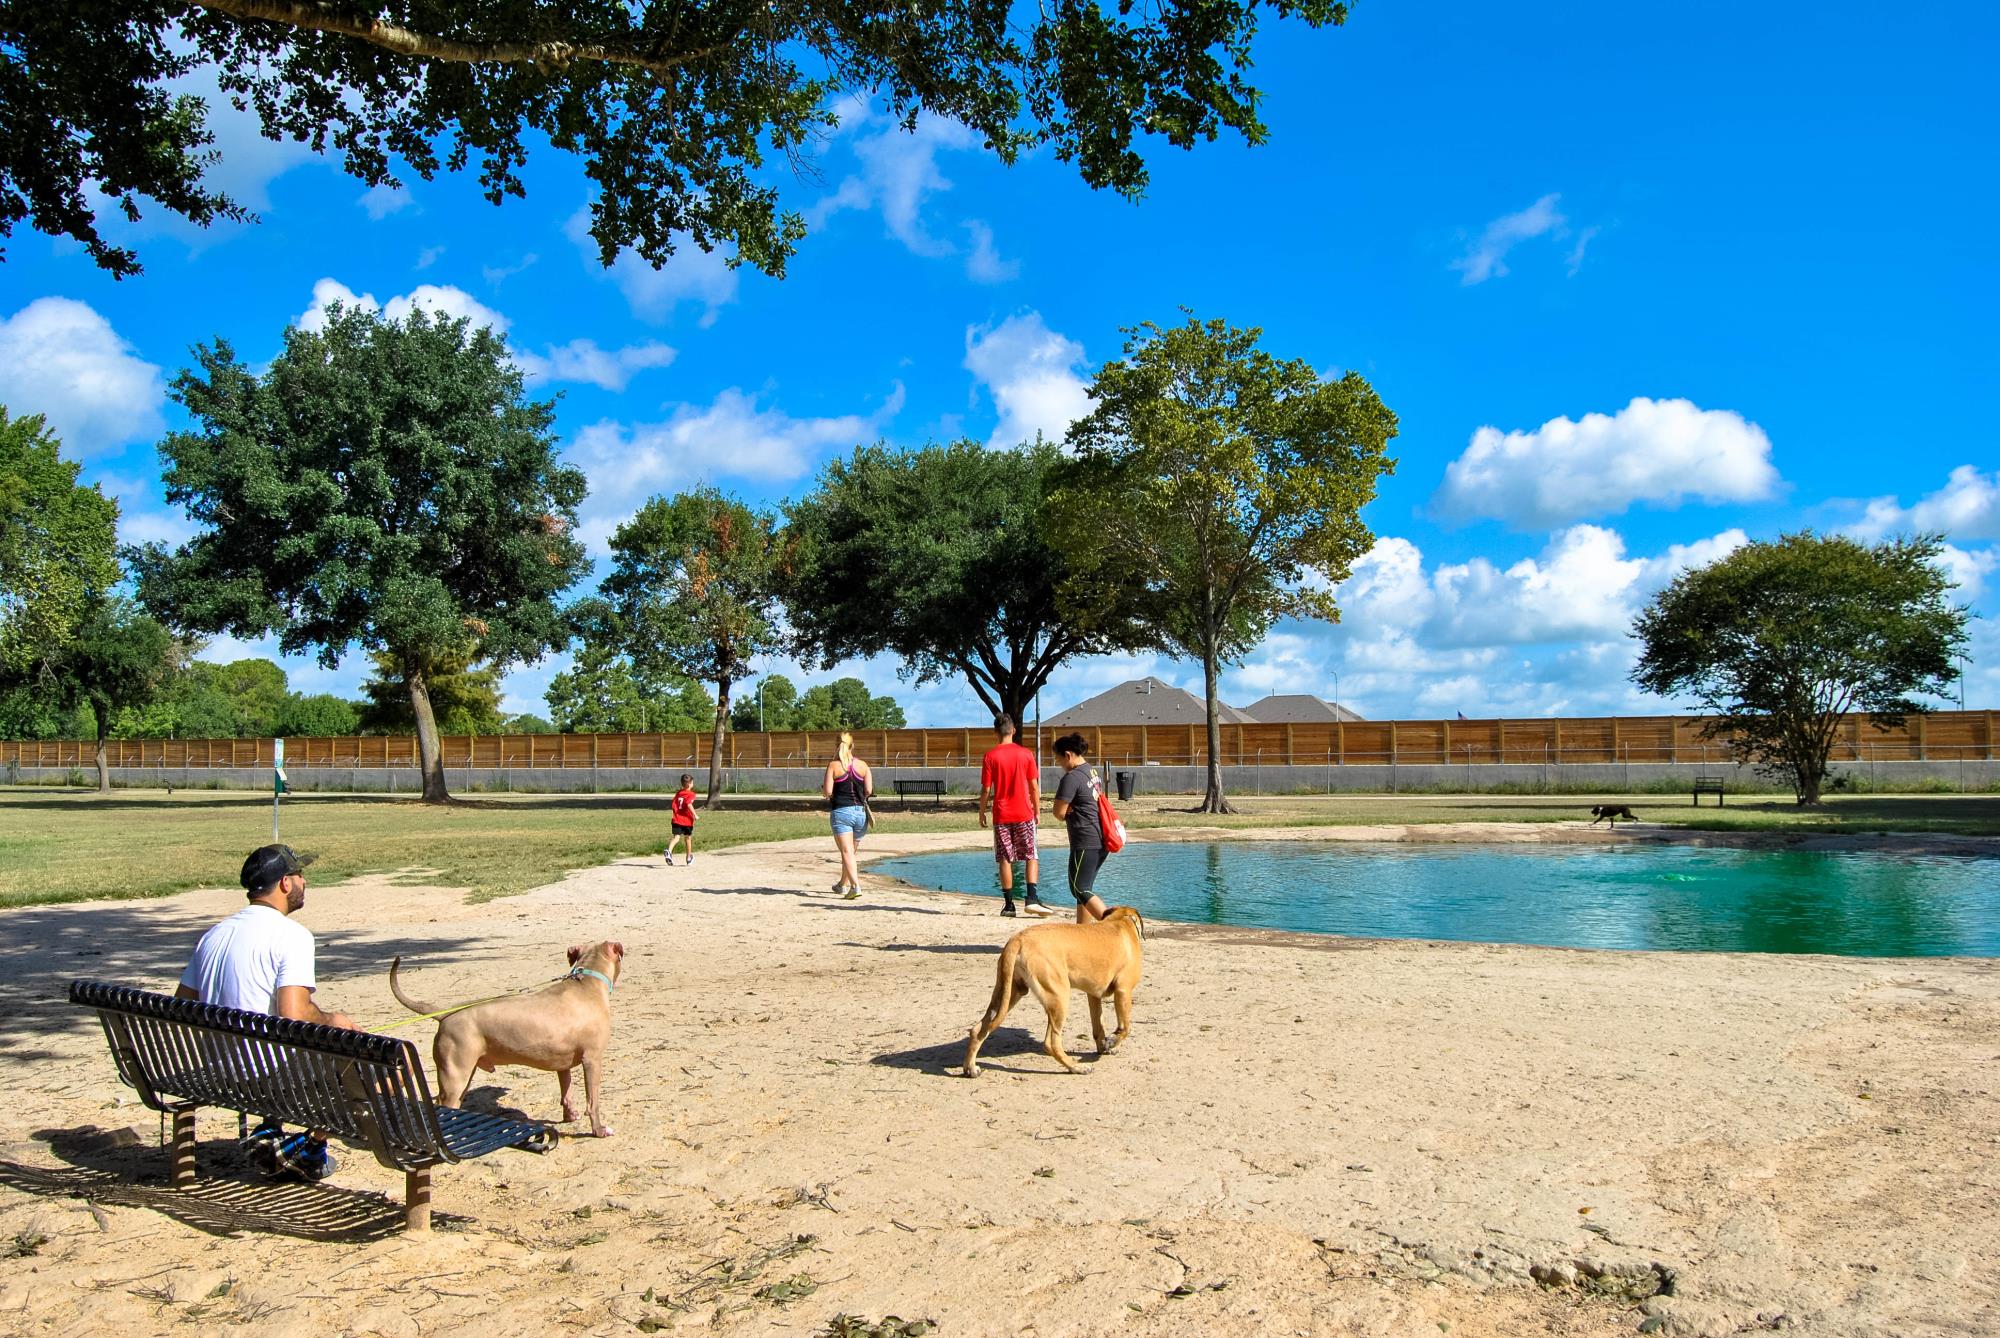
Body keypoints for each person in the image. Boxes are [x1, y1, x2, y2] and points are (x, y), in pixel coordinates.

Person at [175, 843, 358, 1182]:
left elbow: (182, 1003)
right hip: (261, 1077)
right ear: (286, 883)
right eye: (301, 874)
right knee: (372, 1064)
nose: (305, 882)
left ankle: (271, 1132)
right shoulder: (292, 936)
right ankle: (307, 1149)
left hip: (215, 1071)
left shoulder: (214, 934)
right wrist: (335, 1021)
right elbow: (294, 1013)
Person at [979, 713, 1051, 918]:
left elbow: (985, 789)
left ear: (995, 732)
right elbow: (1034, 787)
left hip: (1001, 814)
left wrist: (982, 811)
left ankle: (1009, 904)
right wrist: (1037, 810)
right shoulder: (1026, 754)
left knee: (1004, 858)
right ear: (1014, 730)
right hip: (1024, 813)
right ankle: (1032, 897)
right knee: (1031, 854)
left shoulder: (990, 757)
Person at [1050, 733, 1112, 922]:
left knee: (1079, 888)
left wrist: (1066, 809)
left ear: (1068, 755)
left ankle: (1113, 925)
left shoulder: (1072, 778)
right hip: (1100, 838)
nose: (1059, 764)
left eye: (1059, 759)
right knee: (1084, 889)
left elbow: (1058, 812)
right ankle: (1083, 932)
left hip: (1085, 840)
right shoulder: (1090, 771)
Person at [822, 731, 873, 899]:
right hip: (860, 814)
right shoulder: (864, 766)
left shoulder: (833, 766)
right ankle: (842, 885)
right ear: (853, 746)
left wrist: (826, 791)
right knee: (850, 852)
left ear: (836, 746)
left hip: (842, 812)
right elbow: (868, 791)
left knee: (846, 852)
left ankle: (855, 887)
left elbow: (828, 792)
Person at [666, 773, 698, 865]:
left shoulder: (679, 793)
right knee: (688, 838)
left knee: (676, 837)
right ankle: (688, 858)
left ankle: (669, 851)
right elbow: (688, 804)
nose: (693, 784)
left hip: (676, 819)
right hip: (687, 821)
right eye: (692, 783)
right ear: (689, 784)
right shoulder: (691, 794)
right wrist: (695, 814)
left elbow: (674, 804)